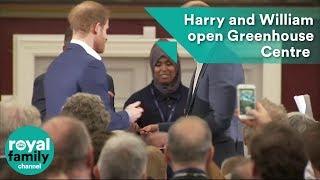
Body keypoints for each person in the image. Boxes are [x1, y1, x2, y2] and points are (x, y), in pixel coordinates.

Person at [44, 1, 143, 130]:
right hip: (79, 146)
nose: (106, 37)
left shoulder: (55, 64)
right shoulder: (91, 64)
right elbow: (102, 122)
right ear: (96, 28)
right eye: (106, 30)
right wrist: (128, 115)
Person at [32, 27, 116, 121]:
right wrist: (88, 104)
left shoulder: (106, 80)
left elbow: (109, 123)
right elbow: (43, 122)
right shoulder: (45, 81)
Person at [124, 39, 188, 129]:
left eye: (169, 63)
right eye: (158, 64)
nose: (164, 69)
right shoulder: (137, 101)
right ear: (152, 67)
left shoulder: (192, 99)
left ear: (177, 66)